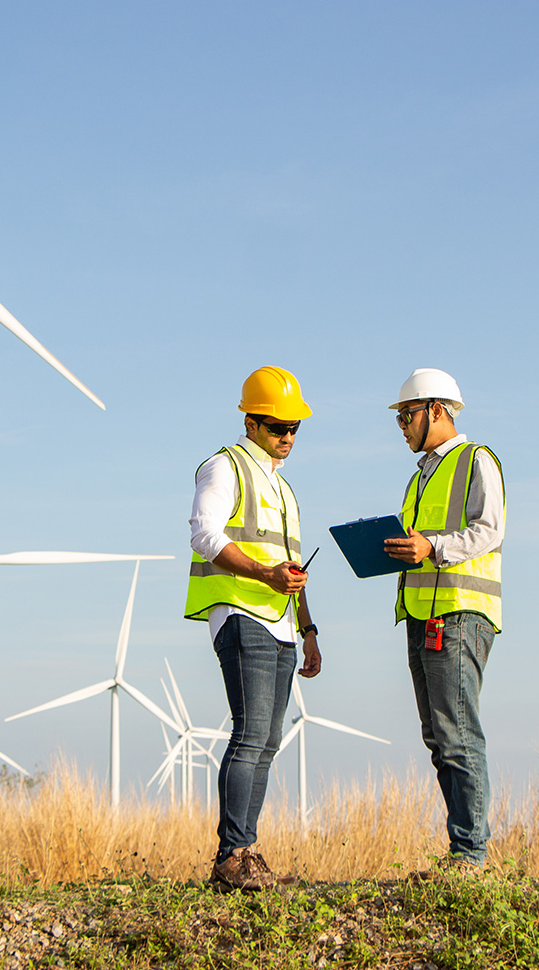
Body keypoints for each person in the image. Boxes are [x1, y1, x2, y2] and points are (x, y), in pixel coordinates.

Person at [186, 366, 322, 892]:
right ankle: (231, 856)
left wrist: (308, 629)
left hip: (284, 627)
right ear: (250, 420)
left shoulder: (285, 490)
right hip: (242, 614)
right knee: (249, 735)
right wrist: (264, 574)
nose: (286, 436)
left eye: (294, 428)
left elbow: (293, 568)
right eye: (276, 426)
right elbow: (204, 533)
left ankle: (245, 851)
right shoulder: (225, 467)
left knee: (266, 740)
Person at [382, 368, 504, 873]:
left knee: (457, 735)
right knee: (438, 738)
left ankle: (471, 855)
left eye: (407, 415)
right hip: (421, 615)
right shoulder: (419, 477)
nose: (403, 426)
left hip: (458, 615)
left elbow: (489, 530)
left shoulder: (477, 461)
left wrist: (431, 546)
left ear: (437, 410)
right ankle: (463, 851)